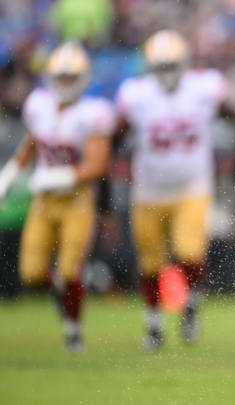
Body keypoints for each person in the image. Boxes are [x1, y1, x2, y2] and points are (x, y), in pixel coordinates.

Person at [114, 30, 235, 351]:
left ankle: (191, 307)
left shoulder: (203, 89)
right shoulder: (137, 95)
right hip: (148, 191)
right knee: (149, 263)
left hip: (192, 187)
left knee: (189, 252)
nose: (167, 72)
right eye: (161, 66)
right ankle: (153, 326)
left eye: (172, 65)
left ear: (184, 63)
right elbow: (117, 135)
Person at [0, 42, 115, 352]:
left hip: (76, 200)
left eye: (70, 77)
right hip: (43, 201)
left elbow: (97, 164)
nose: (65, 83)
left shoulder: (93, 113)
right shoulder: (39, 104)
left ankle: (73, 331)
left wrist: (56, 175)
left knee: (69, 270)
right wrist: (11, 171)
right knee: (32, 272)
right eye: (60, 77)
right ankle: (61, 295)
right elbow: (34, 141)